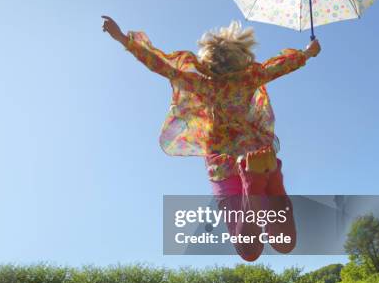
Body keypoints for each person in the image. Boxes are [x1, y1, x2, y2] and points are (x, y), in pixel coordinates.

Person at [102, 15, 321, 260]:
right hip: (256, 150)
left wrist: (123, 39)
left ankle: (254, 183)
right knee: (285, 244)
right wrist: (308, 52)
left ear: (208, 60)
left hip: (223, 164)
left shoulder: (202, 83)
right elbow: (279, 66)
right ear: (243, 56)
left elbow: (162, 66)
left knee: (248, 251)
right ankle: (270, 179)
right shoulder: (249, 78)